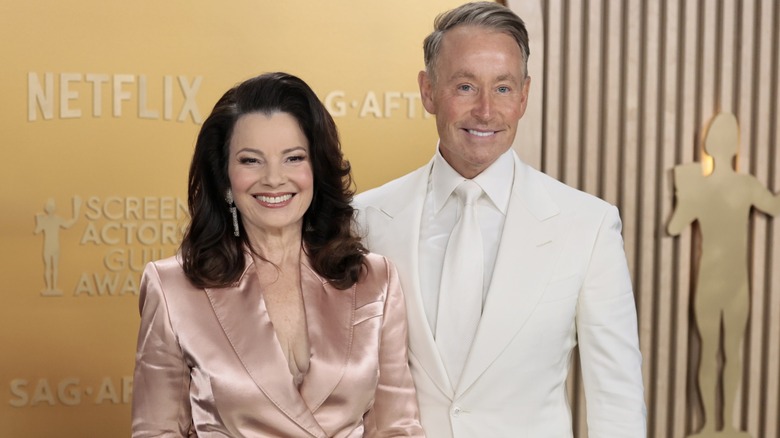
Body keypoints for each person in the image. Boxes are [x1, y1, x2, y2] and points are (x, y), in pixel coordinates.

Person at [353, 2, 646, 437]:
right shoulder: (365, 218)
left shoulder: (588, 226)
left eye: (503, 89)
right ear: (428, 90)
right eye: (466, 86)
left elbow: (616, 400)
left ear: (524, 95)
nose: (486, 111)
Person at [132, 72, 424, 437]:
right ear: (224, 176)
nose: (273, 179)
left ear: (316, 168)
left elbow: (397, 428)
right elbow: (157, 432)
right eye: (251, 160)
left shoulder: (375, 281)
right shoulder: (172, 287)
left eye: (293, 158)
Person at [668, 112, 780, 438]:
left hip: (713, 282)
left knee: (711, 350)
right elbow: (773, 206)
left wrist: (683, 196)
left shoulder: (700, 187)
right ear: (733, 147)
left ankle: (712, 426)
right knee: (730, 351)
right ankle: (724, 424)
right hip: (732, 283)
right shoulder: (744, 185)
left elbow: (675, 225)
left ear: (709, 145)